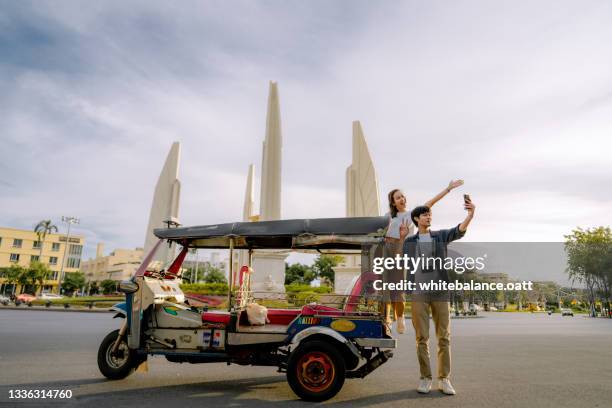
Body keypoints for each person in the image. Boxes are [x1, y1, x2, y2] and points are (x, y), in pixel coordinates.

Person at [398, 195, 475, 395]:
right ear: (417, 219)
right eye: (424, 214)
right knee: (421, 338)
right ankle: (425, 378)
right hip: (418, 294)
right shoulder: (410, 242)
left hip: (440, 292)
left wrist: (471, 213)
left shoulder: (440, 236)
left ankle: (444, 379)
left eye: (430, 214)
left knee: (444, 337)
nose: (428, 217)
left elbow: (459, 230)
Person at [383, 180, 464, 335]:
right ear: (393, 202)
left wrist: (447, 189)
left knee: (398, 288)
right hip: (388, 250)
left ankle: (399, 318)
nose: (402, 199)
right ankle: (387, 322)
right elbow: (380, 232)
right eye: (398, 197)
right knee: (386, 289)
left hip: (402, 249)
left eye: (403, 196)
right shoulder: (388, 217)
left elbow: (430, 203)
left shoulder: (411, 214)